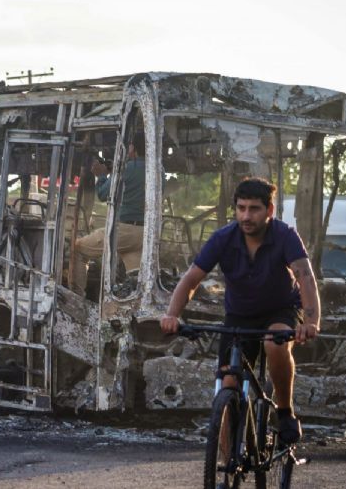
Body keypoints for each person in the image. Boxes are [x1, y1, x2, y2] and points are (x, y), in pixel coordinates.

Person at [159, 178, 320, 444]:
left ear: (269, 210)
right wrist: (172, 315)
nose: (246, 216)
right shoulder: (223, 238)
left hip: (281, 310)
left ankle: (284, 411)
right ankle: (224, 468)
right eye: (241, 208)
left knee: (274, 343)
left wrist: (311, 322)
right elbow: (190, 280)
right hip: (239, 315)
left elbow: (306, 278)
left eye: (254, 209)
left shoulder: (285, 235)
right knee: (228, 384)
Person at [70, 133, 145, 295]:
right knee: (137, 279)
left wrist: (102, 175)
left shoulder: (127, 168)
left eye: (130, 146)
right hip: (143, 234)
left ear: (134, 149)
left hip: (124, 231)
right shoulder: (157, 169)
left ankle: (76, 298)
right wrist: (114, 172)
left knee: (77, 248)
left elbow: (104, 194)